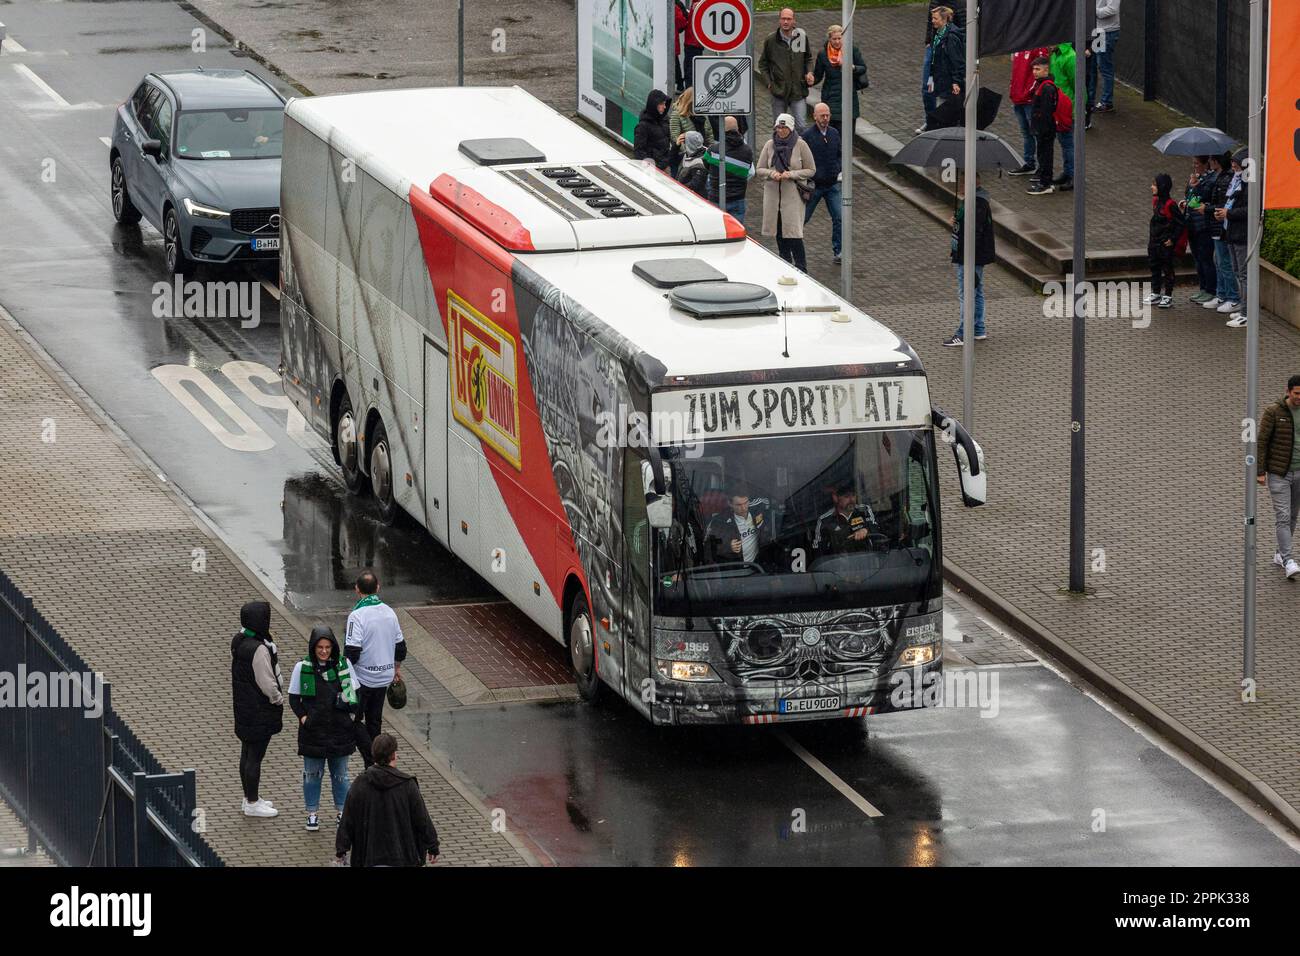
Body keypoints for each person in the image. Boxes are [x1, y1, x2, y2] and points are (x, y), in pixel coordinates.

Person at [288, 625, 360, 832]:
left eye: (328, 647)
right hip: (313, 733)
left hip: (340, 731)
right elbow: (294, 698)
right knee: (312, 775)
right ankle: (312, 813)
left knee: (341, 775)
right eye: (320, 647)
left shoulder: (343, 665)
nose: (324, 651)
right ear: (313, 647)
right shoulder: (302, 668)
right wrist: (303, 718)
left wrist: (351, 716)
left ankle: (342, 813)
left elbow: (354, 696)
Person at [335, 734, 440, 867]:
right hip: (402, 856)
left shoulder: (360, 784)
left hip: (368, 857)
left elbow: (348, 819)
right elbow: (422, 819)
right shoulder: (407, 785)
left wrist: (341, 849)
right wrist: (432, 845)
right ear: (394, 755)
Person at [345, 570, 406, 767]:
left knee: (352, 720)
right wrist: (396, 668)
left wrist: (344, 678)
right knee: (374, 722)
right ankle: (377, 762)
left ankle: (371, 760)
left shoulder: (357, 615)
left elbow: (352, 652)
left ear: (357, 589)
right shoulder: (390, 612)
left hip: (363, 679)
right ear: (378, 587)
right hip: (384, 678)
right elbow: (401, 647)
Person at [230, 600, 284, 818]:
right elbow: (267, 682)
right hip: (259, 711)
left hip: (244, 708)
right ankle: (253, 802)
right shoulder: (259, 649)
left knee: (246, 753)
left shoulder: (240, 640)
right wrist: (278, 699)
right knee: (255, 757)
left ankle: (249, 797)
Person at [757, 113, 816, 272]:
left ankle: (802, 269)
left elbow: (811, 170)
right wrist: (771, 174)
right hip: (773, 197)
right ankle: (785, 268)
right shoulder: (769, 144)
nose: (781, 131)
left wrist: (792, 174)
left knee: (794, 234)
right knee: (779, 234)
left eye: (784, 128)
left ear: (791, 129)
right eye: (778, 127)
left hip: (792, 197)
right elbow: (760, 169)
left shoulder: (801, 145)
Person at [943, 173, 996, 346]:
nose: (958, 187)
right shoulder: (974, 201)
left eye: (962, 183)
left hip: (971, 257)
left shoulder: (976, 203)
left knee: (967, 294)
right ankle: (978, 329)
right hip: (972, 256)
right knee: (976, 291)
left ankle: (964, 333)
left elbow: (974, 231)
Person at [1258, 377, 1300, 580]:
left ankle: (1279, 554)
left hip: (1299, 472)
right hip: (1279, 473)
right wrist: (1260, 471)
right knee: (1283, 516)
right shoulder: (1274, 412)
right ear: (1288, 392)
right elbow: (1262, 441)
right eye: (1297, 393)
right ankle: (1288, 560)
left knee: (1292, 515)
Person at [757, 7, 814, 133]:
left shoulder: (801, 37)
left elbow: (808, 58)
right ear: (779, 20)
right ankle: (779, 151)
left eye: (789, 19)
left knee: (801, 126)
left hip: (798, 90)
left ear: (794, 21)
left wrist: (809, 72)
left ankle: (798, 151)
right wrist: (769, 83)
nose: (786, 22)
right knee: (779, 127)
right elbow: (762, 64)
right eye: (783, 19)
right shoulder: (771, 40)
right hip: (778, 91)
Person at [801, 103, 843, 263]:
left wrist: (837, 167)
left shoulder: (834, 133)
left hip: (832, 184)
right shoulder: (807, 136)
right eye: (822, 115)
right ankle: (791, 244)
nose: (825, 118)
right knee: (803, 218)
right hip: (815, 186)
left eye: (827, 115)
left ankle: (839, 251)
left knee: (839, 217)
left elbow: (840, 153)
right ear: (815, 116)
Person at [813, 23, 867, 137]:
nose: (837, 42)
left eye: (839, 38)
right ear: (829, 39)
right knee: (833, 136)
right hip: (831, 98)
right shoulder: (823, 54)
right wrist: (808, 80)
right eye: (834, 39)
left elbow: (862, 68)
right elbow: (817, 76)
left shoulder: (851, 50)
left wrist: (852, 67)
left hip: (849, 98)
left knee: (848, 136)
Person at [1202, 151, 1240, 315]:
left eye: (1211, 159)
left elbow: (1223, 203)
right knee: (1219, 261)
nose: (1209, 162)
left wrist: (1207, 209)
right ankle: (1222, 294)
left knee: (1224, 263)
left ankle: (1232, 297)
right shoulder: (1219, 176)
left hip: (1221, 226)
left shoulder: (1227, 178)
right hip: (1217, 225)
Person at [920, 1, 966, 132]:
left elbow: (964, 27)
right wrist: (929, 41)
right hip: (936, 45)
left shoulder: (960, 4)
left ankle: (940, 123)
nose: (933, 20)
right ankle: (931, 120)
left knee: (945, 93)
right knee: (927, 88)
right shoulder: (935, 2)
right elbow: (930, 22)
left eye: (936, 18)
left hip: (949, 46)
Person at [1008, 46, 1052, 177]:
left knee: (1037, 134)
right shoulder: (1017, 46)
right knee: (1026, 133)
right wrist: (1013, 90)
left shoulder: (1038, 47)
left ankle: (1042, 168)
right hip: (1018, 98)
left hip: (1029, 100)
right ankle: (1029, 163)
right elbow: (1015, 71)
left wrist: (1028, 93)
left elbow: (1040, 73)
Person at [1181, 156, 1220, 303]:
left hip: (1204, 225)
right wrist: (1188, 195)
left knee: (1205, 258)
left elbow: (1206, 196)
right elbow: (1190, 196)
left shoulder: (1211, 179)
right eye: (1193, 163)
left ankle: (1211, 289)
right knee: (1197, 258)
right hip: (1192, 223)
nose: (1194, 166)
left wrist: (1196, 186)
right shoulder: (1195, 178)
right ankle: (1202, 287)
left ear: (1206, 164)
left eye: (1197, 163)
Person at [1219, 148, 1251, 328]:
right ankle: (1242, 309)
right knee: (1238, 273)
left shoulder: (1250, 183)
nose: (1233, 165)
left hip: (1242, 234)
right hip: (1232, 232)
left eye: (1236, 162)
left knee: (1244, 275)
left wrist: (1229, 213)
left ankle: (1246, 313)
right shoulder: (1236, 181)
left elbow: (1249, 209)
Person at [705, 115, 755, 221]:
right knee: (736, 234)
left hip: (716, 198)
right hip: (737, 199)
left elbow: (706, 166)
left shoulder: (713, 150)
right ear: (737, 129)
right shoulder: (748, 151)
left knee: (717, 232)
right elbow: (749, 171)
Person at [1145, 173, 1184, 310]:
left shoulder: (1170, 204)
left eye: (1154, 185)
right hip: (1154, 242)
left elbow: (1180, 223)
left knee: (1167, 268)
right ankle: (1156, 292)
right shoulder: (1156, 202)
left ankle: (1168, 295)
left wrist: (1172, 239)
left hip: (1165, 243)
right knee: (1154, 267)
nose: (1152, 187)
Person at [705, 492, 772, 565]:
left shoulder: (757, 511)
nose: (743, 508)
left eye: (745, 503)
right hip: (736, 570)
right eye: (739, 505)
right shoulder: (720, 522)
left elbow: (772, 501)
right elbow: (709, 547)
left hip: (758, 566)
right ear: (730, 504)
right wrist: (728, 546)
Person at [813, 483, 879, 557]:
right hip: (839, 563)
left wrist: (866, 530)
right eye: (846, 496)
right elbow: (818, 549)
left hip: (866, 559)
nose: (851, 500)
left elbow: (877, 528)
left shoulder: (864, 510)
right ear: (835, 498)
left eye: (853, 495)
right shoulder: (825, 520)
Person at [1026, 56, 1059, 196]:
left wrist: (1041, 129)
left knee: (1045, 155)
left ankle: (1045, 183)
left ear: (1046, 70)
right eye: (1033, 69)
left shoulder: (1046, 88)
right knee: (1043, 154)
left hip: (1045, 129)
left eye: (1038, 69)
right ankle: (1045, 180)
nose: (1034, 72)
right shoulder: (1042, 84)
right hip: (1044, 128)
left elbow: (1046, 112)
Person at [668, 86, 715, 176]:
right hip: (684, 159)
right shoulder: (677, 115)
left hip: (703, 157)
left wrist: (710, 152)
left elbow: (709, 135)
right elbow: (675, 137)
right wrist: (690, 153)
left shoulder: (702, 115)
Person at [1049, 42, 1077, 190]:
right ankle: (1067, 173)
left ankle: (1072, 176)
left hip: (1067, 108)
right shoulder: (1056, 55)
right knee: (1064, 143)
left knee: (1068, 144)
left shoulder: (1070, 57)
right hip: (1058, 107)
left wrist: (1079, 108)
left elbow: (1077, 84)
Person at [632, 89, 672, 171]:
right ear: (654, 105)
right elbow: (639, 152)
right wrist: (653, 167)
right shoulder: (643, 126)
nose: (665, 107)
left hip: (665, 167)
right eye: (661, 104)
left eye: (665, 104)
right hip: (652, 170)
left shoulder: (665, 120)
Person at [1093, 0, 1121, 113]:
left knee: (1105, 67)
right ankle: (1101, 100)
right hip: (1099, 31)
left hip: (1107, 32)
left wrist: (1093, 12)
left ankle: (1107, 102)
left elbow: (1112, 9)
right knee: (1097, 66)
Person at [676, 130, 710, 198]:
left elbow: (695, 185)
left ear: (689, 143)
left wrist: (679, 188)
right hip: (684, 193)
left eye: (685, 141)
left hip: (693, 198)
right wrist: (676, 146)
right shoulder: (688, 154)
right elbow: (672, 160)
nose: (683, 143)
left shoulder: (700, 161)